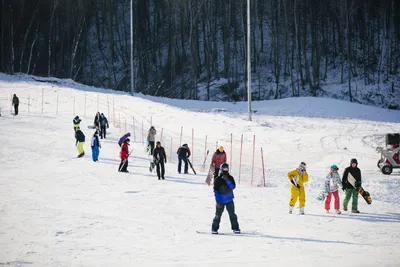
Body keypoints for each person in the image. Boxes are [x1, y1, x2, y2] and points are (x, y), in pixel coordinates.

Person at [211, 163, 240, 234]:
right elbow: (216, 191)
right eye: (224, 169)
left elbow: (233, 187)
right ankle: (214, 228)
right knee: (218, 215)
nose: (225, 170)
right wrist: (217, 200)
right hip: (221, 200)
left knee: (232, 214)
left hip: (229, 200)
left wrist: (227, 180)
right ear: (221, 170)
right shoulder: (217, 179)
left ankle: (235, 228)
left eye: (227, 169)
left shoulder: (230, 178)